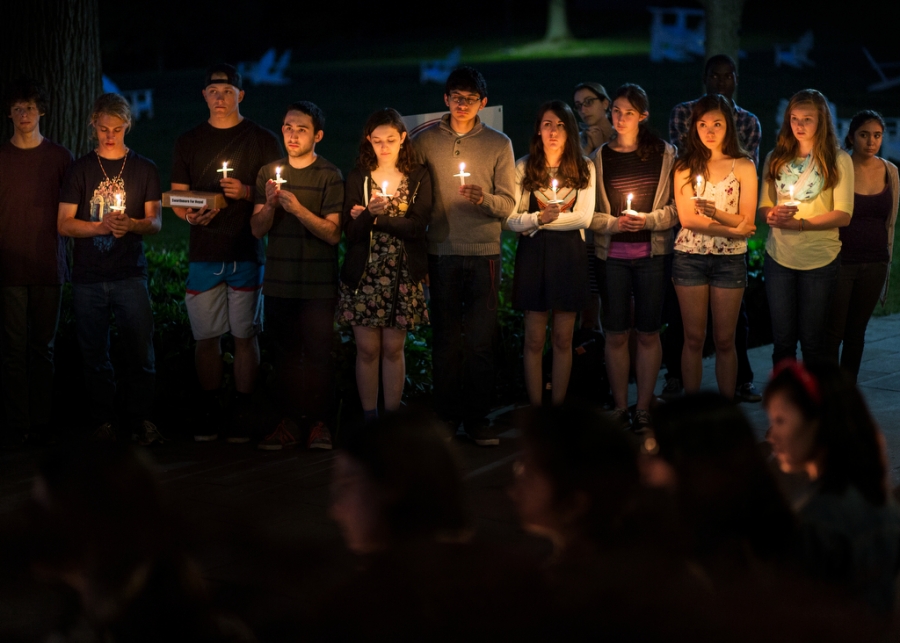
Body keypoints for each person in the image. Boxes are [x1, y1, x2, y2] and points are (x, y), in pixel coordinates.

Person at [170, 64, 282, 443]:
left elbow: (276, 193)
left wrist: (247, 193)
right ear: (204, 96)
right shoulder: (188, 141)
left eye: (228, 91)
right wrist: (189, 213)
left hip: (247, 251)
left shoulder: (262, 139)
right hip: (204, 252)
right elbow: (177, 194)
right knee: (206, 336)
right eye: (214, 91)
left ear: (241, 95)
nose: (220, 98)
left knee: (244, 334)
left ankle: (244, 407)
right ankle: (210, 407)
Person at [412, 66, 516, 446]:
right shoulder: (424, 140)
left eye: (471, 99)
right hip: (440, 252)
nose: (462, 104)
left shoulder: (498, 143)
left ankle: (477, 418)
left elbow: (508, 203)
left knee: (479, 341)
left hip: (484, 254)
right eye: (457, 96)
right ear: (446, 98)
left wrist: (483, 199)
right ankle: (445, 417)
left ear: (483, 103)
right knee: (444, 339)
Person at [57, 93, 162, 444]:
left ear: (127, 126)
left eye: (117, 129)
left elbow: (155, 222)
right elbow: (64, 223)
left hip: (130, 273)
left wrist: (130, 224)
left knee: (139, 351)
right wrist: (99, 227)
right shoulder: (81, 169)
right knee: (94, 354)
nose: (110, 136)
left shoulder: (144, 168)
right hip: (89, 277)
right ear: (93, 126)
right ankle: (104, 421)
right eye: (103, 129)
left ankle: (140, 421)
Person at [764, 360, 900, 613]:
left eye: (780, 421)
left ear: (819, 421)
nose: (771, 436)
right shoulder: (880, 501)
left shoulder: (818, 521)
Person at [668, 53, 763, 403]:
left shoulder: (743, 165)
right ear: (694, 127)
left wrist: (724, 221)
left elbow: (748, 220)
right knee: (693, 338)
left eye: (717, 124)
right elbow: (689, 219)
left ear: (729, 126)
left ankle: (726, 410)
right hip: (690, 257)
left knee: (725, 340)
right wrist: (734, 227)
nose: (710, 131)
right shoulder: (684, 165)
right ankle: (693, 410)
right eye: (703, 125)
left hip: (729, 261)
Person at [251, 101, 343, 450]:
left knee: (319, 355)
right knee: (284, 357)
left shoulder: (329, 176)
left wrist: (298, 209)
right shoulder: (268, 174)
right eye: (288, 127)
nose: (291, 134)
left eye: (301, 129)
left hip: (318, 285)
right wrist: (272, 206)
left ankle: (319, 424)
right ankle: (286, 422)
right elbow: (257, 229)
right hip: (279, 282)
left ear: (317, 135)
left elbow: (333, 233)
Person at [588, 84, 678, 433]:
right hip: (611, 257)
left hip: (652, 256)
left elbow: (675, 209)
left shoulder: (664, 154)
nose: (620, 118)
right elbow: (589, 214)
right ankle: (621, 405)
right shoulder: (598, 158)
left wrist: (649, 220)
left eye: (629, 112)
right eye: (616, 111)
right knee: (615, 332)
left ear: (643, 115)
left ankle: (643, 405)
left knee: (648, 331)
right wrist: (614, 223)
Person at [338, 108, 432, 424]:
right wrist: (367, 217)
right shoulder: (358, 177)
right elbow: (350, 233)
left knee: (393, 348)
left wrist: (375, 217)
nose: (384, 147)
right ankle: (369, 417)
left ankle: (391, 422)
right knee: (367, 350)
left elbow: (417, 227)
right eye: (377, 140)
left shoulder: (418, 176)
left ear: (403, 138)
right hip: (365, 273)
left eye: (390, 139)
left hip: (402, 274)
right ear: (369, 141)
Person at [506, 101, 595, 407]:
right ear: (538, 130)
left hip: (570, 257)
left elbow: (583, 218)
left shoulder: (584, 168)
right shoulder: (523, 167)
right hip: (534, 257)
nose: (553, 131)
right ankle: (535, 408)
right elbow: (511, 219)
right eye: (547, 124)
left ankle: (557, 408)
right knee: (533, 339)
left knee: (562, 339)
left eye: (559, 125)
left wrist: (539, 224)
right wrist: (534, 220)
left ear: (570, 130)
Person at [0, 77, 72, 446]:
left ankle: (41, 421)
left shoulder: (59, 157)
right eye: (16, 108)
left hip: (48, 263)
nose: (23, 114)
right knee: (13, 349)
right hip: (9, 268)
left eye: (29, 107)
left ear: (41, 110)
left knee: (42, 347)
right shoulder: (2, 156)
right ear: (9, 114)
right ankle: (18, 422)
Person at [758, 89, 853, 366]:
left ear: (822, 121)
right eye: (794, 118)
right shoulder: (776, 157)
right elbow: (764, 207)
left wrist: (800, 224)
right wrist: (773, 215)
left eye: (807, 119)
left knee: (813, 341)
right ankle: (784, 403)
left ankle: (813, 404)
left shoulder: (838, 160)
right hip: (779, 259)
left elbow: (843, 214)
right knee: (783, 340)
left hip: (819, 260)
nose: (799, 126)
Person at [824, 111, 898, 382]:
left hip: (876, 262)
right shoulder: (838, 167)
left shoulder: (891, 172)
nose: (871, 141)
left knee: (856, 332)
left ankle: (846, 391)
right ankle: (828, 392)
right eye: (864, 135)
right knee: (833, 331)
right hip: (841, 260)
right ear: (851, 136)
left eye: (877, 135)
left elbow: (890, 220)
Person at [572, 82, 613, 156]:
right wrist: (589, 147)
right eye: (578, 106)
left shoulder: (622, 134)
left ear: (605, 103)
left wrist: (600, 146)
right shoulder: (576, 141)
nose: (583, 110)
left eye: (589, 102)